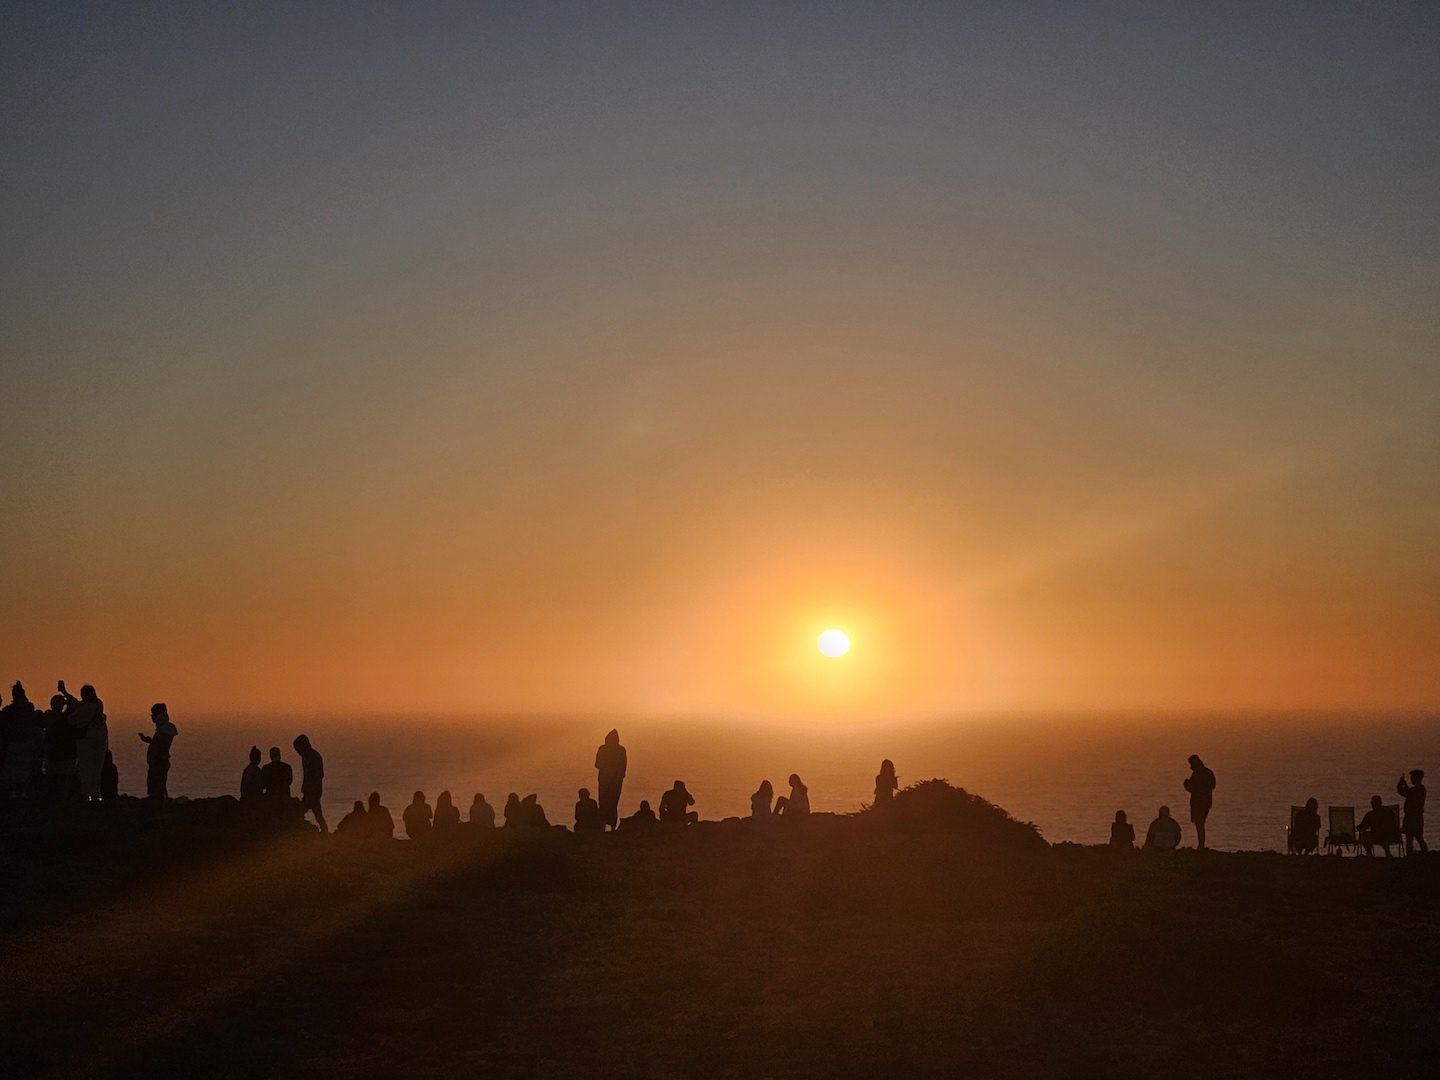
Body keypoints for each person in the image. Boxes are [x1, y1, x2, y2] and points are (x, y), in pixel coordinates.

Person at [60, 680, 108, 800]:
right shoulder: (98, 704)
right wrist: (65, 692)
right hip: (100, 741)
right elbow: (78, 704)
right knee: (97, 768)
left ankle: (86, 793)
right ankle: (96, 794)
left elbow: (73, 718)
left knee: (86, 768)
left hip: (86, 740)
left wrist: (65, 693)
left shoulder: (85, 708)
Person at [1, 681, 41, 799]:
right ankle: (20, 791)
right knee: (21, 769)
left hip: (18, 742)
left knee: (16, 769)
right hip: (21, 742)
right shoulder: (27, 708)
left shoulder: (9, 710)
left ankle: (17, 791)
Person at [42, 693, 78, 800]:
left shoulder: (47, 717)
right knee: (63, 781)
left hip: (55, 754)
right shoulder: (68, 718)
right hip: (64, 754)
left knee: (55, 780)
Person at [138, 703, 177, 799]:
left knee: (157, 787)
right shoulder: (164, 729)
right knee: (158, 786)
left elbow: (161, 747)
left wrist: (152, 742)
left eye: (153, 715)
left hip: (159, 763)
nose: (152, 718)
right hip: (157, 763)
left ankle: (160, 806)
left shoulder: (166, 729)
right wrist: (149, 741)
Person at [292, 735, 328, 834]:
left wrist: (311, 789)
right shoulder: (306, 757)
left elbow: (319, 775)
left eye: (299, 749)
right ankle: (325, 832)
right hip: (310, 791)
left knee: (300, 812)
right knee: (318, 814)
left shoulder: (314, 757)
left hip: (313, 792)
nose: (298, 753)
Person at [594, 728, 628, 831]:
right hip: (615, 782)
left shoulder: (603, 749)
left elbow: (597, 764)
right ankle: (611, 827)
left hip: (606, 780)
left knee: (605, 803)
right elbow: (623, 767)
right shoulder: (621, 750)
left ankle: (603, 826)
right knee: (613, 803)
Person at [1184, 754, 1216, 850]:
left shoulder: (1198, 774)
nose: (1190, 767)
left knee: (1199, 824)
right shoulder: (1208, 772)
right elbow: (1212, 785)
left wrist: (1186, 784)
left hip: (1198, 803)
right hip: (1206, 802)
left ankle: (1201, 845)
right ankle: (1201, 844)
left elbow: (1193, 788)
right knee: (1200, 824)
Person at [1397, 769, 1427, 855]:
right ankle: (1425, 854)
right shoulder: (1420, 789)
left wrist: (1401, 783)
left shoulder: (1416, 790)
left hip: (1412, 818)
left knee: (1411, 838)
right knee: (1418, 837)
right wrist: (1402, 784)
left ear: (1417, 778)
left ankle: (1410, 856)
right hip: (1416, 817)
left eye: (1412, 777)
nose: (1411, 779)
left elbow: (1404, 791)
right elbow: (1406, 791)